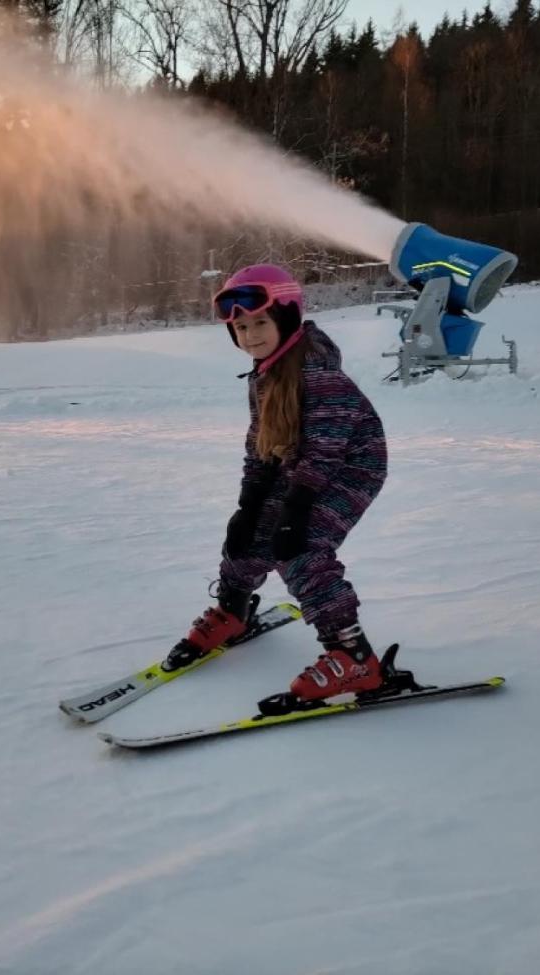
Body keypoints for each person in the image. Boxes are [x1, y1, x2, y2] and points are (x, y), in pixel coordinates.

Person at [166, 263, 389, 701]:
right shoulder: (264, 372)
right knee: (247, 537)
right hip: (299, 464)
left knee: (299, 547)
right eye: (241, 327)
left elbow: (325, 450)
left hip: (350, 466)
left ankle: (354, 656)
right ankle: (234, 610)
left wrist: (296, 508)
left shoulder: (317, 372)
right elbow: (260, 444)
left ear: (286, 318)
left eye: (260, 323)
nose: (250, 336)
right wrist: (248, 504)